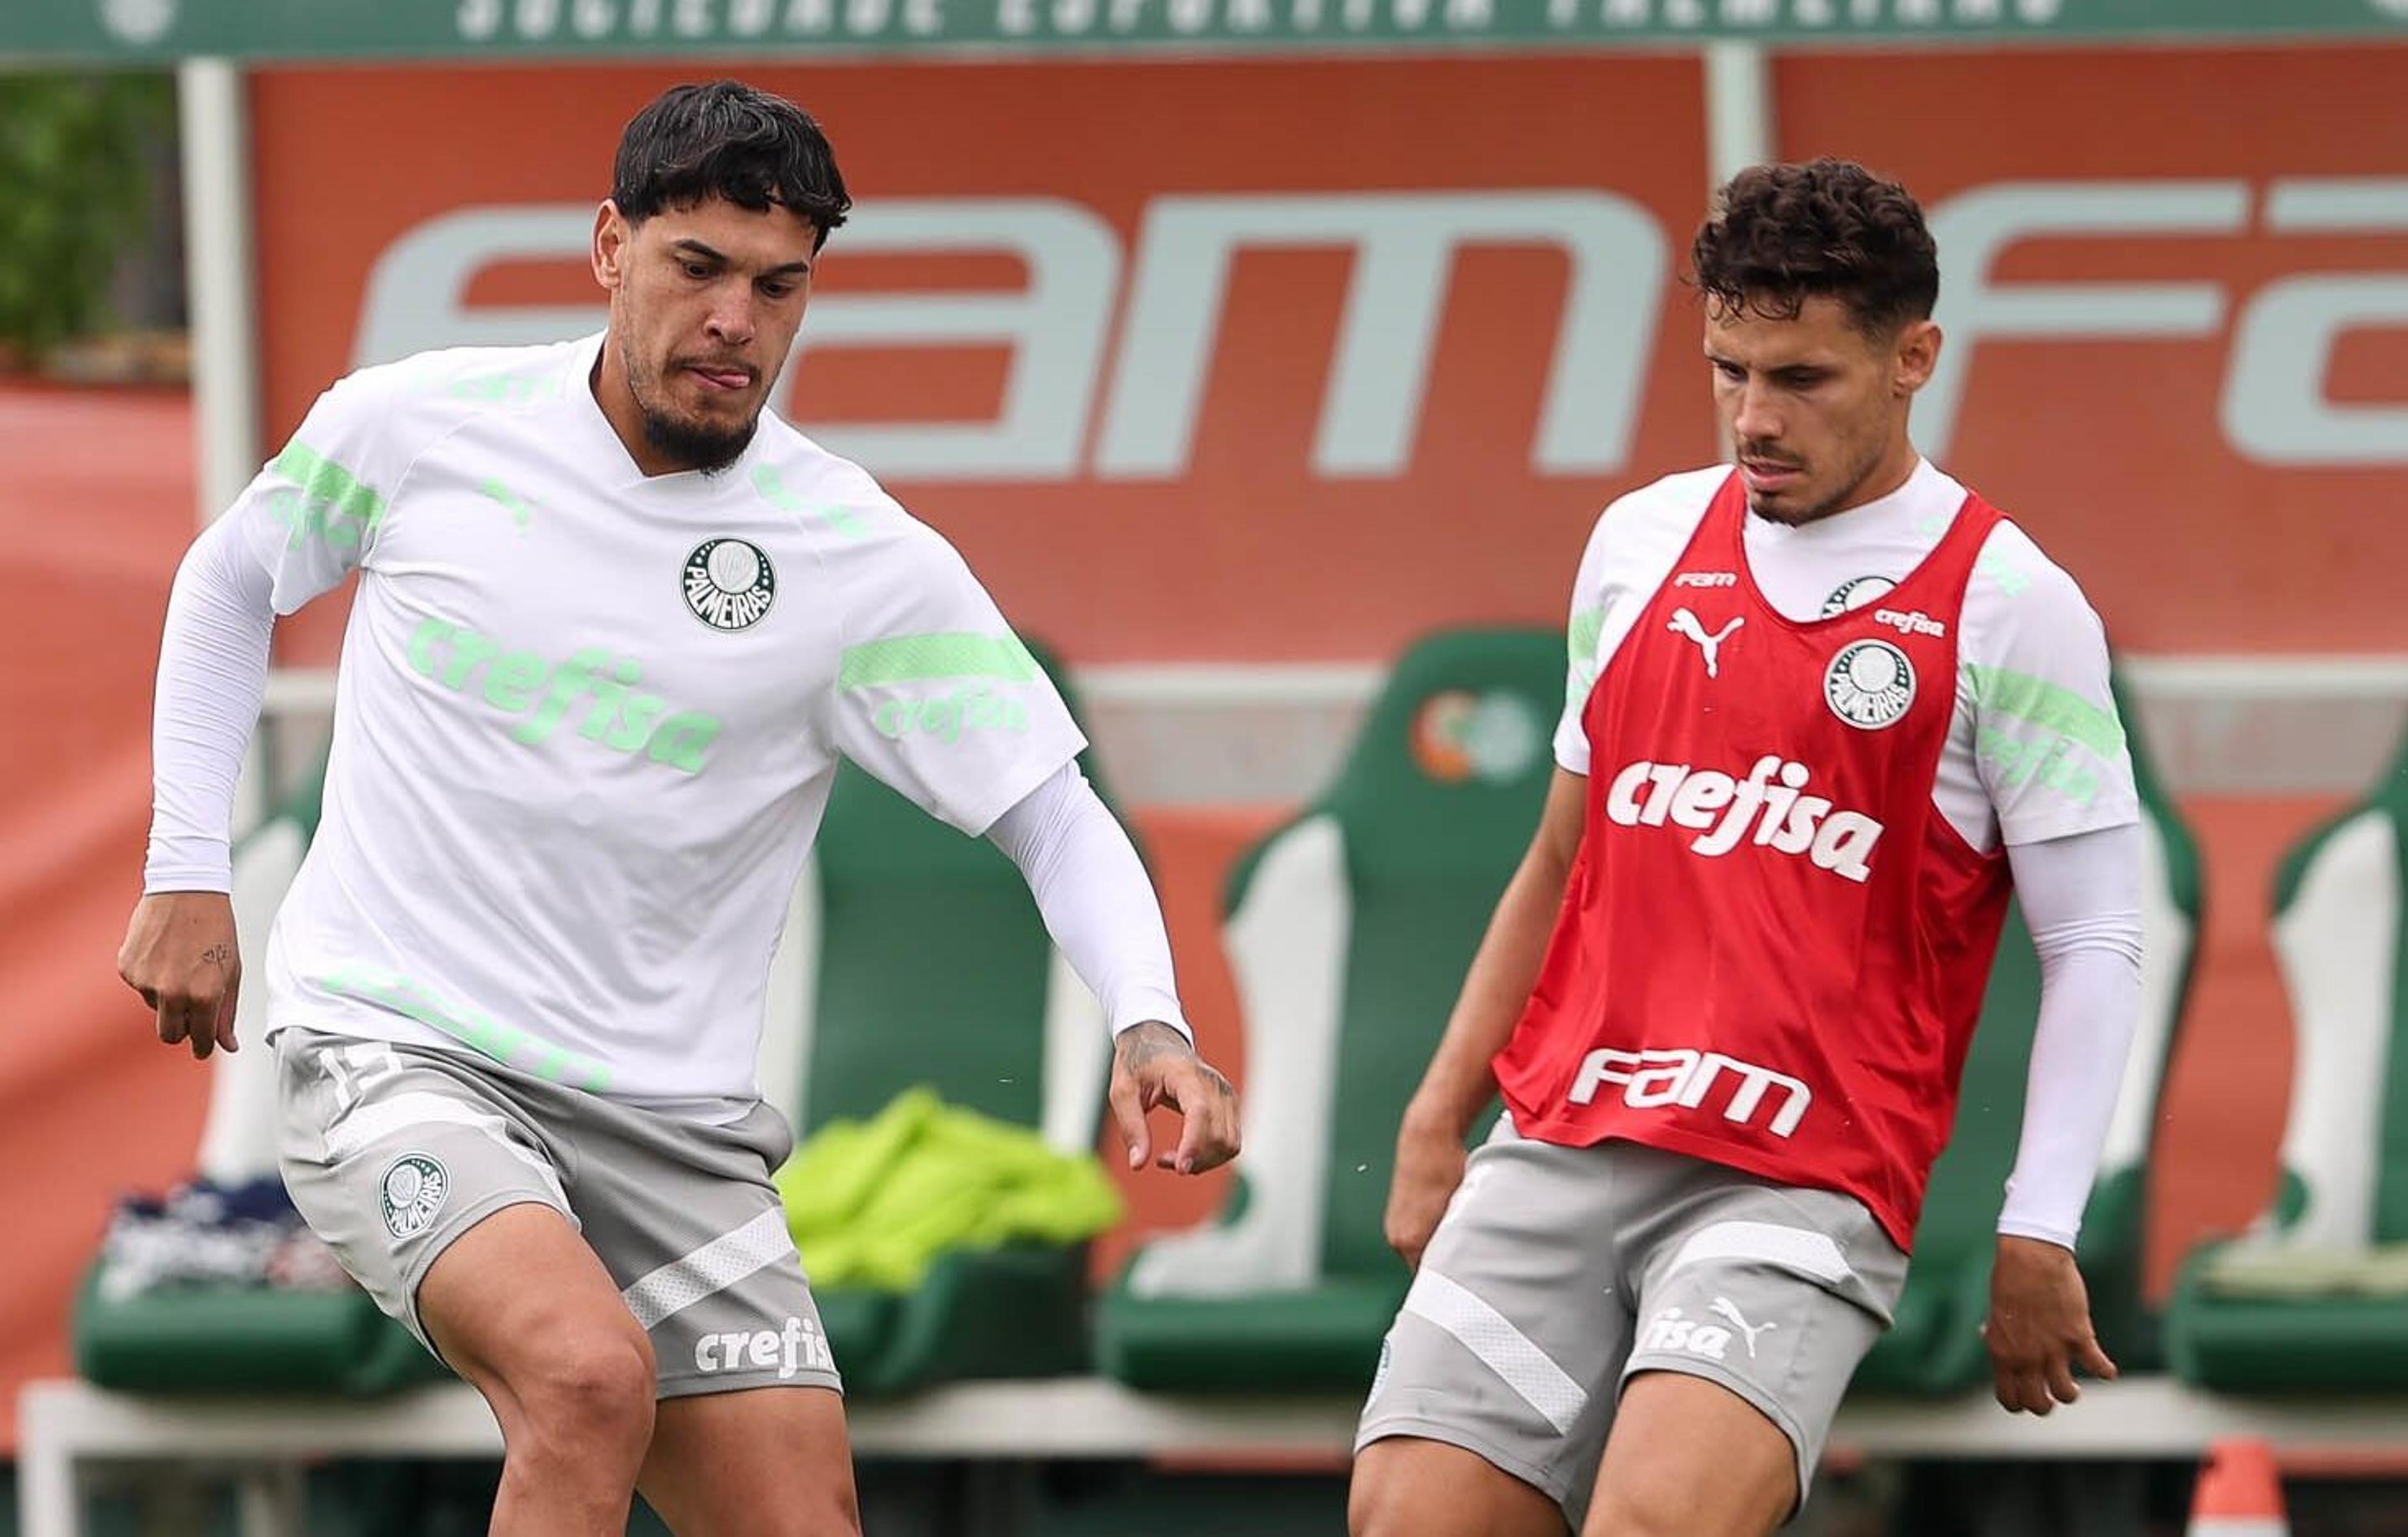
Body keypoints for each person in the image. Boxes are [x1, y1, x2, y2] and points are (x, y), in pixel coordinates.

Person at [117, 79, 1239, 1537]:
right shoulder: (418, 424)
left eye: (781, 286)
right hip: (400, 1051)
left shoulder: (856, 552)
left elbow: (1054, 812)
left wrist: (1151, 1016)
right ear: (610, 247)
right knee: (587, 1377)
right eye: (697, 267)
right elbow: (227, 584)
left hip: (673, 1127)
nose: (736, 320)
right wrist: (187, 866)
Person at [1349, 159, 2145, 1537]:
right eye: (1729, 370)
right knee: (1408, 1519)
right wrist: (1436, 1113)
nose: (1754, 419)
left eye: (1802, 379)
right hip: (1565, 1136)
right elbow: (1560, 857)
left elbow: (2094, 940)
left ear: (1914, 359)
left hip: (1802, 1175)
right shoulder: (1638, 542)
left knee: (1658, 1522)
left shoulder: (2014, 603)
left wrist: (2042, 1220)